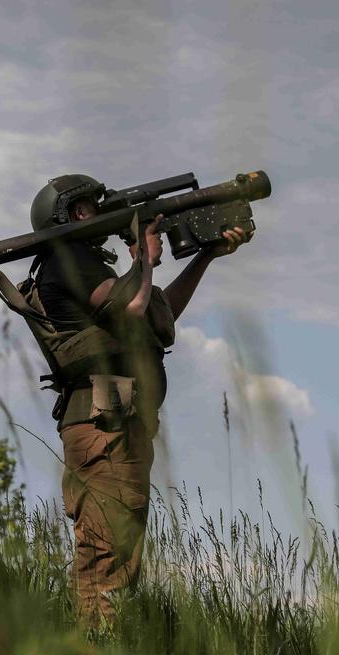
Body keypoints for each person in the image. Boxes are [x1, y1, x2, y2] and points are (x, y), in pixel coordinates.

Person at [23, 173, 253, 627]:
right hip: (105, 425)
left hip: (112, 423)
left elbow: (155, 311)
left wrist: (205, 254)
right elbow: (129, 307)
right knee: (108, 557)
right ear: (76, 213)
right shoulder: (68, 257)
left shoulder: (81, 263)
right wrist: (145, 259)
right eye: (92, 204)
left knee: (111, 553)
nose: (102, 211)